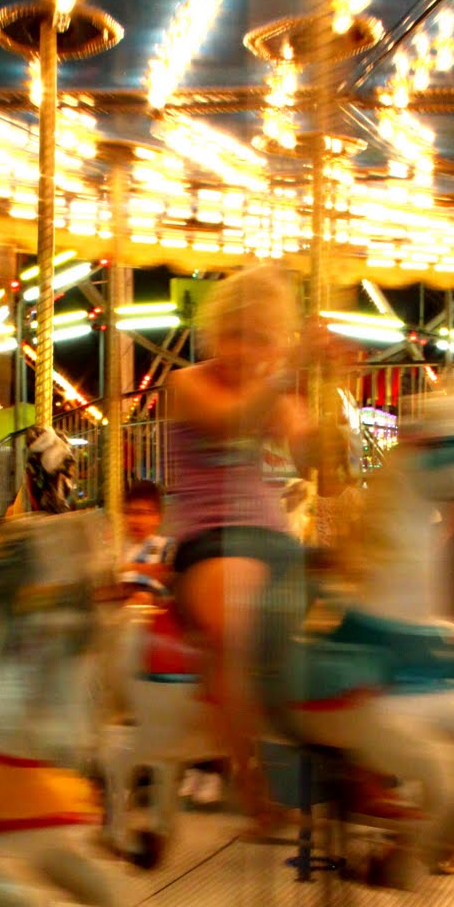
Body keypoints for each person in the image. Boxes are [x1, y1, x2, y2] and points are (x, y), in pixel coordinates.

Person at [167, 264, 319, 830]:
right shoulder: (187, 383)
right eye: (233, 334)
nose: (243, 350)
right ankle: (249, 776)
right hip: (209, 538)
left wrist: (330, 404)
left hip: (273, 538)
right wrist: (287, 375)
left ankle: (354, 766)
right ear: (214, 333)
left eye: (258, 338)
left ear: (273, 344)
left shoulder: (275, 397)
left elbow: (318, 461)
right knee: (232, 623)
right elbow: (228, 423)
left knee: (342, 621)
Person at [120, 479, 174, 601]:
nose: (134, 520)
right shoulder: (122, 550)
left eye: (141, 513)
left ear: (157, 517)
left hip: (153, 598)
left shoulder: (165, 545)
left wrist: (131, 567)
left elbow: (168, 574)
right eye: (129, 513)